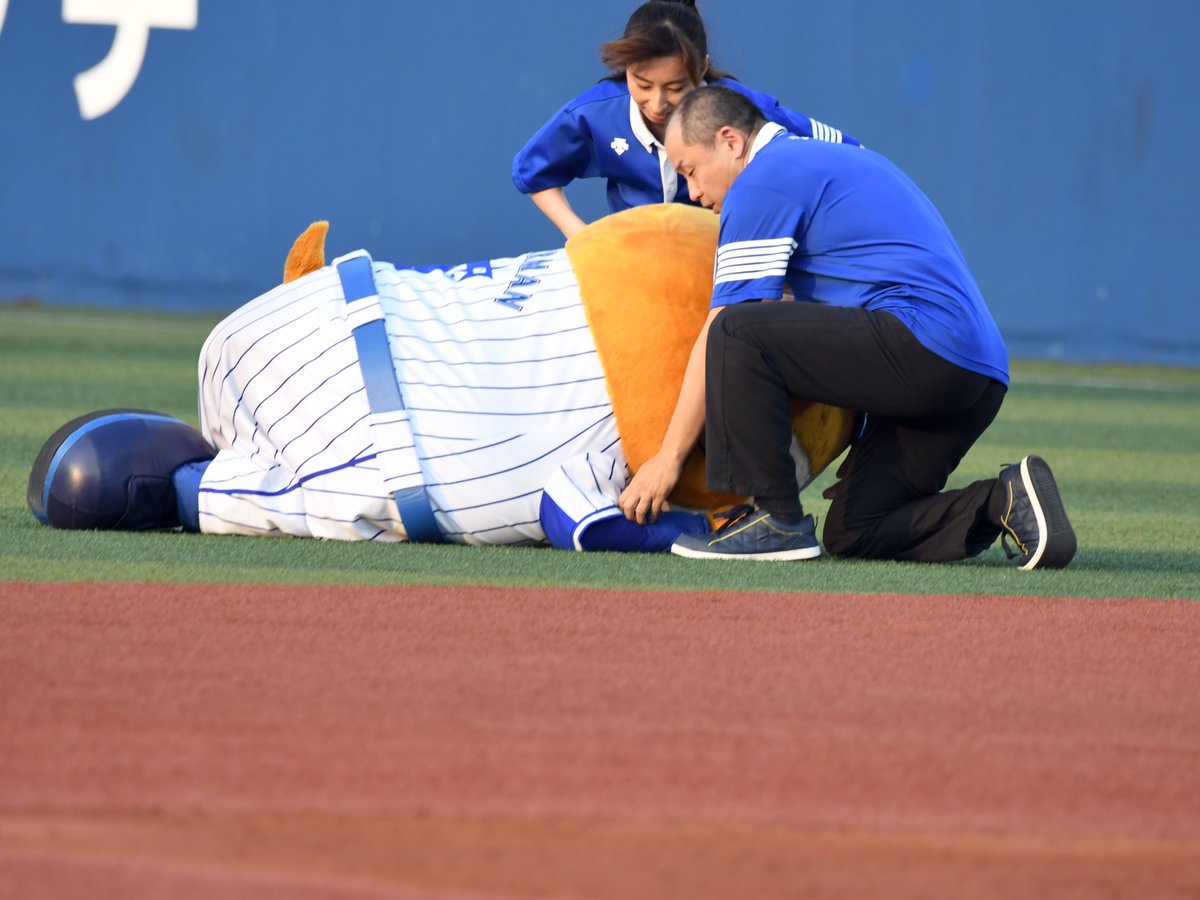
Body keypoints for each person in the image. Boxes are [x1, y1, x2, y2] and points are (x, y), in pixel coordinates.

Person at [28, 210, 855, 554]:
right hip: (383, 441)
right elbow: (580, 513)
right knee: (155, 487)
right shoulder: (627, 418)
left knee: (130, 478)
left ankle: (176, 478)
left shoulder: (651, 247)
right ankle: (175, 483)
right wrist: (691, 534)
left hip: (339, 317)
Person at [619, 85, 1076, 569]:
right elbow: (842, 322)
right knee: (857, 529)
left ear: (731, 141)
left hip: (922, 349)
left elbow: (724, 330)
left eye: (690, 169)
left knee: (736, 330)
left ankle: (775, 521)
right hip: (977, 374)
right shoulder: (826, 158)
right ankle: (1003, 502)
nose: (692, 191)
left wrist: (668, 457)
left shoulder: (764, 180)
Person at [512, 0, 859, 240]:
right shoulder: (594, 114)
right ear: (624, 70)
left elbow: (846, 152)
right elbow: (533, 172)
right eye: (642, 84)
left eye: (675, 87)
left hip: (720, 253)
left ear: (703, 68)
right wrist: (580, 234)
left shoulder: (739, 107)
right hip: (634, 258)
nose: (657, 103)